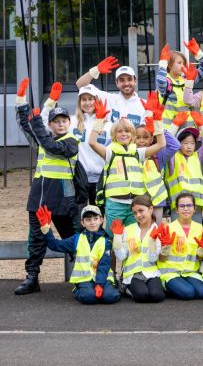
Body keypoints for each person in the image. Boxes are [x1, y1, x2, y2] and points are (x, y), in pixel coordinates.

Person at [15, 78, 79, 295]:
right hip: (39, 200)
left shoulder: (71, 142)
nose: (60, 124)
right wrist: (21, 102)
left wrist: (46, 109)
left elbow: (50, 145)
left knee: (73, 238)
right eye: (56, 121)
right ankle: (32, 277)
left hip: (62, 200)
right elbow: (27, 124)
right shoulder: (43, 138)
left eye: (64, 121)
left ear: (69, 123)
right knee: (36, 240)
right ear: (50, 124)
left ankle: (85, 275)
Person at [88, 101, 167, 228]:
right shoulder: (109, 152)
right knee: (114, 237)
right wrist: (99, 121)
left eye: (127, 131)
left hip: (135, 205)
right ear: (114, 135)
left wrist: (158, 122)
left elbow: (161, 144)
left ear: (132, 135)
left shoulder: (138, 152)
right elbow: (92, 142)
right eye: (119, 131)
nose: (124, 134)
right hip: (115, 203)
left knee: (133, 239)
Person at [37, 204, 120, 304]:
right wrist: (45, 228)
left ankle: (104, 288)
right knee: (89, 298)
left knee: (111, 297)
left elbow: (104, 265)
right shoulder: (76, 239)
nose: (92, 222)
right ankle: (77, 289)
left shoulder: (106, 241)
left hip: (103, 277)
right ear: (82, 223)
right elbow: (55, 245)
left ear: (101, 220)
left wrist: (99, 284)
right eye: (88, 219)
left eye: (95, 218)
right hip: (84, 279)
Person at [157, 193, 203, 300]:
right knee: (188, 293)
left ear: (194, 209)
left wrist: (202, 250)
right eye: (182, 206)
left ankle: (180, 286)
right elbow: (161, 259)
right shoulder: (168, 228)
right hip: (170, 272)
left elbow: (199, 258)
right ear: (177, 210)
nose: (186, 209)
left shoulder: (199, 228)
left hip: (190, 272)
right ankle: (166, 285)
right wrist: (164, 249)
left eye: (189, 205)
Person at [114, 195, 165, 303]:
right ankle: (125, 286)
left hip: (151, 273)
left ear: (151, 209)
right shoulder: (127, 230)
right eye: (135, 213)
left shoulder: (159, 230)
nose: (138, 215)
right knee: (142, 296)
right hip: (133, 274)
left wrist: (152, 241)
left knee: (157, 296)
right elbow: (121, 256)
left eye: (141, 211)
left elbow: (153, 259)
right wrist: (117, 238)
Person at [75, 56, 146, 126]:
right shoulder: (108, 99)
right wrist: (96, 70)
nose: (126, 83)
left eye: (129, 79)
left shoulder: (145, 104)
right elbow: (80, 85)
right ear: (116, 83)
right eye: (122, 80)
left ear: (135, 81)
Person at [156, 40, 203, 127]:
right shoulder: (166, 81)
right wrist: (163, 64)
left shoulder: (186, 80)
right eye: (179, 63)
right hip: (170, 130)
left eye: (184, 64)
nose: (183, 66)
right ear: (169, 65)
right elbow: (160, 81)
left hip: (187, 129)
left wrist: (199, 55)